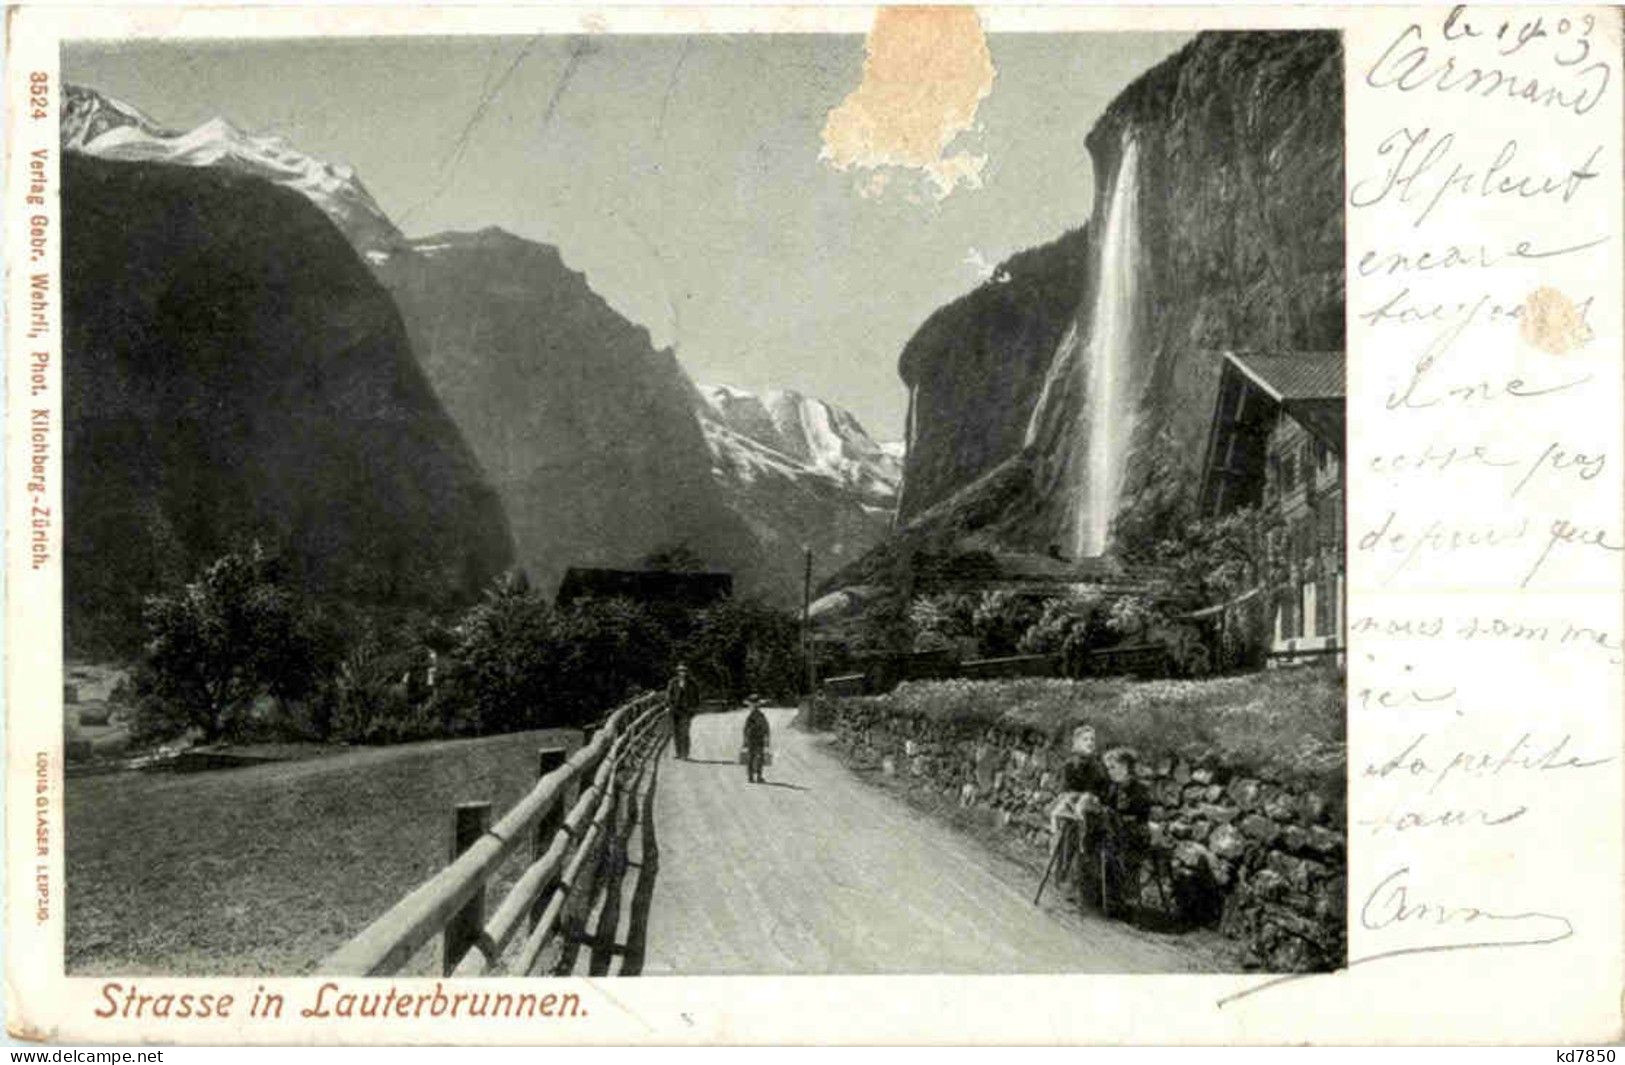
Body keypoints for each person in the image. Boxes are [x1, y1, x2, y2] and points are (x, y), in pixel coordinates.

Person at [1045, 724, 1109, 908]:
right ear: (1076, 742)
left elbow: (1102, 790)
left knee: (1088, 835)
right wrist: (1074, 799)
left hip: (1093, 813)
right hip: (1072, 809)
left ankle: (1086, 888)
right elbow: (1065, 789)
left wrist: (1091, 798)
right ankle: (1066, 881)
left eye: (1092, 740)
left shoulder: (1098, 765)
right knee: (1068, 833)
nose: (1089, 743)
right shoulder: (1070, 764)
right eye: (1085, 739)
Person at [666, 663, 699, 760]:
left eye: (684, 671)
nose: (682, 673)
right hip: (675, 710)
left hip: (687, 710)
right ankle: (678, 752)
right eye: (680, 671)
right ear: (677, 672)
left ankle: (685, 753)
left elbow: (697, 697)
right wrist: (669, 705)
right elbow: (668, 695)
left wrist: (694, 708)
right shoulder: (673, 682)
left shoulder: (692, 683)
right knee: (676, 732)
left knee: (684, 732)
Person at [742, 695, 771, 783]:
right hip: (758, 738)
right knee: (759, 757)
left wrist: (745, 739)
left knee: (752, 757)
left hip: (752, 738)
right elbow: (766, 727)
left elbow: (746, 729)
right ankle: (758, 776)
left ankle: (751, 777)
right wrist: (767, 737)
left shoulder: (750, 716)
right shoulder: (761, 715)